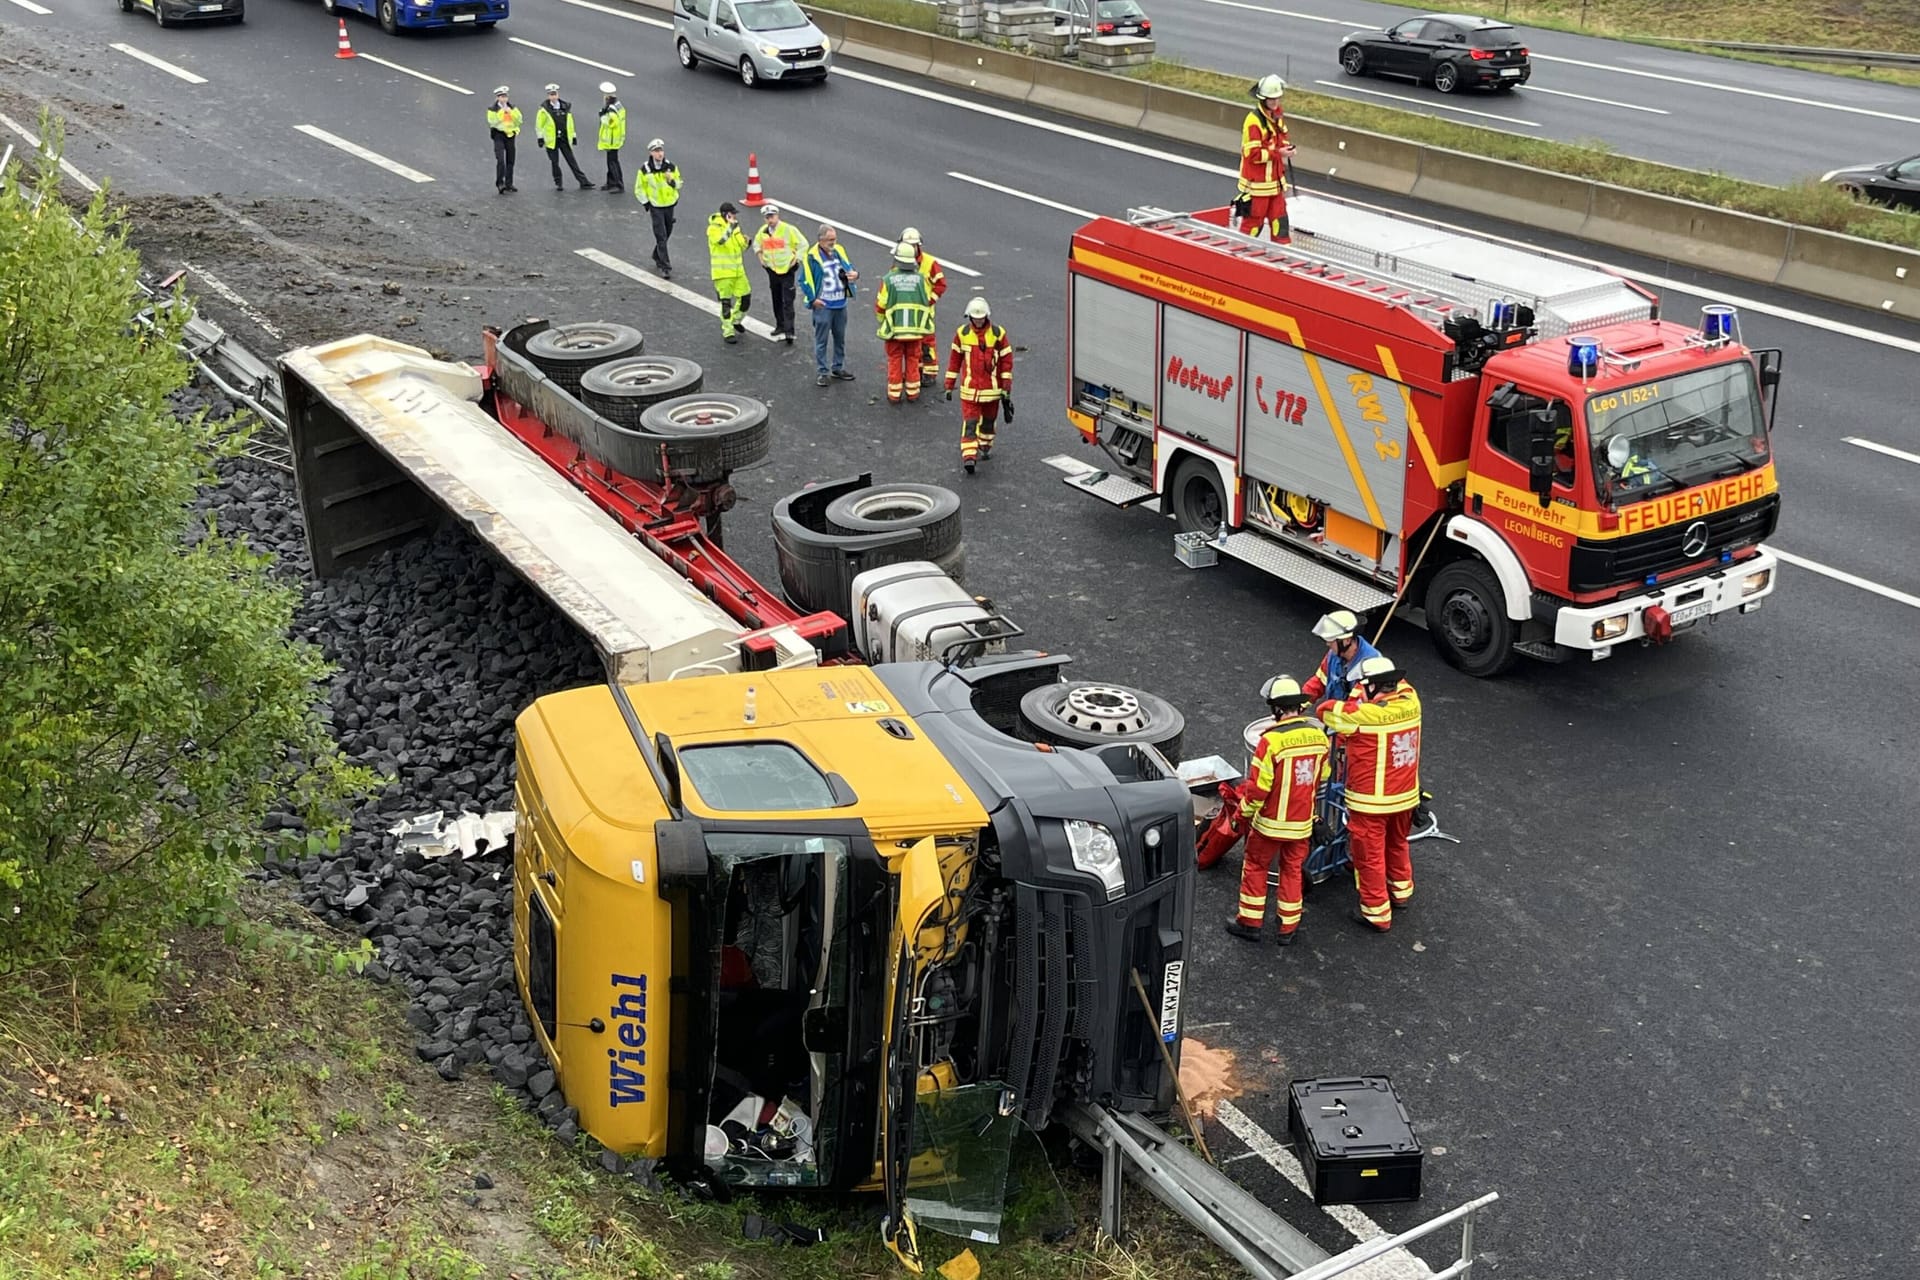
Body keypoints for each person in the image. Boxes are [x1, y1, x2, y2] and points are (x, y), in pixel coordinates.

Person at [1226, 676, 1331, 946]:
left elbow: (1258, 790)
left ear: (1276, 708)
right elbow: (1322, 777)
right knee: (1292, 871)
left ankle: (1250, 923)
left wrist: (1240, 818)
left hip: (1270, 826)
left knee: (1256, 867)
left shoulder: (1270, 742)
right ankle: (1288, 927)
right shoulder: (1319, 738)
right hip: (1301, 826)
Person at [1323, 655, 1422, 933]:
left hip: (1371, 803)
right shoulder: (1412, 702)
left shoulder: (1363, 716)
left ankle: (1376, 913)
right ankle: (1401, 892)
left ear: (1371, 687)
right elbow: (1402, 685)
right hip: (1405, 796)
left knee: (1369, 857)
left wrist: (1356, 697)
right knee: (1397, 843)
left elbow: (1327, 710)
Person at [943, 296, 1013, 474]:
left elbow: (1006, 362)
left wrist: (1006, 388)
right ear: (969, 317)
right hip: (970, 392)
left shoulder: (998, 334)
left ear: (987, 316)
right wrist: (949, 385)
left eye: (981, 317)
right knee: (970, 424)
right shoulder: (962, 334)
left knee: (988, 423)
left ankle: (985, 446)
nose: (979, 320)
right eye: (976, 317)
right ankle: (969, 457)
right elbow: (954, 361)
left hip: (992, 392)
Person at [875, 241, 937, 405]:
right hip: (915, 331)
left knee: (895, 359)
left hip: (895, 331)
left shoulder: (888, 280)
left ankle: (895, 394)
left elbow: (881, 305)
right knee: (913, 359)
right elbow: (926, 302)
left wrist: (883, 323)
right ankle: (913, 392)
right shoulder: (920, 279)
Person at [800, 224, 858, 387]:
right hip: (824, 305)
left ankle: (838, 367)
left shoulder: (839, 251)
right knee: (822, 340)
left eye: (834, 239)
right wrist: (813, 300)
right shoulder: (812, 256)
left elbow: (849, 267)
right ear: (821, 240)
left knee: (840, 338)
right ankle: (822, 371)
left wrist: (855, 275)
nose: (833, 242)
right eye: (830, 240)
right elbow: (803, 280)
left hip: (840, 303)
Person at [1239, 74, 1293, 243]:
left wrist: (1286, 148)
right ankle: (1241, 260)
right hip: (1257, 187)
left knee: (1281, 224)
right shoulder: (1253, 121)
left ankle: (1283, 263)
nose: (1275, 103)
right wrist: (1279, 153)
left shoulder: (1277, 115)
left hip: (1275, 185)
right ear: (1263, 99)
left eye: (1277, 98)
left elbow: (1281, 138)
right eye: (1271, 99)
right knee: (1253, 226)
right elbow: (1253, 155)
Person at [1301, 609, 1380, 709]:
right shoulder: (1334, 654)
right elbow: (1319, 681)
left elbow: (1357, 709)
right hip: (1336, 714)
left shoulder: (1372, 666)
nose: (1327, 644)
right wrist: (1297, 706)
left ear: (1346, 640)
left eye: (1331, 640)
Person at [752, 204, 806, 345]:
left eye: (772, 216)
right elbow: (757, 244)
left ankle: (789, 331)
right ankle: (780, 326)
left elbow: (803, 244)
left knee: (787, 301)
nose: (770, 220)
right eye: (767, 217)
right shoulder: (763, 232)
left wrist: (796, 259)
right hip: (772, 271)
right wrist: (760, 258)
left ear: (777, 215)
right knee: (776, 299)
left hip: (787, 270)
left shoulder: (788, 229)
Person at [901, 227, 947, 381]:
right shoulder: (899, 261)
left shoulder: (929, 263)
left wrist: (929, 301)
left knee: (927, 344)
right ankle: (917, 370)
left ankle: (930, 372)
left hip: (925, 313)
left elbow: (940, 284)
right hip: (908, 314)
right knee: (913, 344)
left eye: (913, 246)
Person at [707, 202, 752, 344]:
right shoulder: (714, 228)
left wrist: (747, 242)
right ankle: (728, 331)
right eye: (732, 214)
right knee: (726, 304)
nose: (734, 216)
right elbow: (721, 241)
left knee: (746, 298)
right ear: (725, 215)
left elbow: (740, 246)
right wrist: (730, 227)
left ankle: (735, 320)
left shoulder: (735, 226)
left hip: (738, 271)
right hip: (723, 273)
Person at [535, 84, 594, 192]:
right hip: (552, 140)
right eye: (551, 95)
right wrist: (540, 138)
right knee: (555, 162)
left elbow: (570, 123)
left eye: (555, 94)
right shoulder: (544, 110)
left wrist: (574, 136)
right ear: (548, 96)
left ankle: (583, 181)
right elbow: (539, 125)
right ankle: (559, 182)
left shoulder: (565, 107)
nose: (553, 97)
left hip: (564, 138)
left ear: (558, 94)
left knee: (572, 160)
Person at [636, 139, 682, 278]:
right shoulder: (645, 170)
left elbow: (679, 184)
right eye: (656, 151)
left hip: (669, 205)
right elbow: (639, 188)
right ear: (651, 153)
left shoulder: (671, 167)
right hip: (656, 206)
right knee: (661, 235)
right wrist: (646, 203)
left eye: (661, 150)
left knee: (668, 232)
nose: (659, 154)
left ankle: (657, 255)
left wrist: (671, 181)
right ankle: (665, 266)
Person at [487, 86, 521, 194]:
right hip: (499, 135)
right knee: (501, 160)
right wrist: (503, 112)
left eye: (505, 96)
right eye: (501, 97)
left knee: (510, 161)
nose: (504, 99)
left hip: (510, 135)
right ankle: (500, 183)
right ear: (497, 98)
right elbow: (493, 122)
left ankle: (509, 183)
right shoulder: (493, 109)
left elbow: (519, 120)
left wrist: (511, 112)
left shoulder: (512, 108)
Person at [595, 82, 626, 192]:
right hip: (616, 138)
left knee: (613, 162)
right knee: (611, 161)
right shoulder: (618, 105)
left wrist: (603, 117)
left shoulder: (611, 109)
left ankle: (618, 184)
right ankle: (611, 182)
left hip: (612, 140)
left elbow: (612, 123)